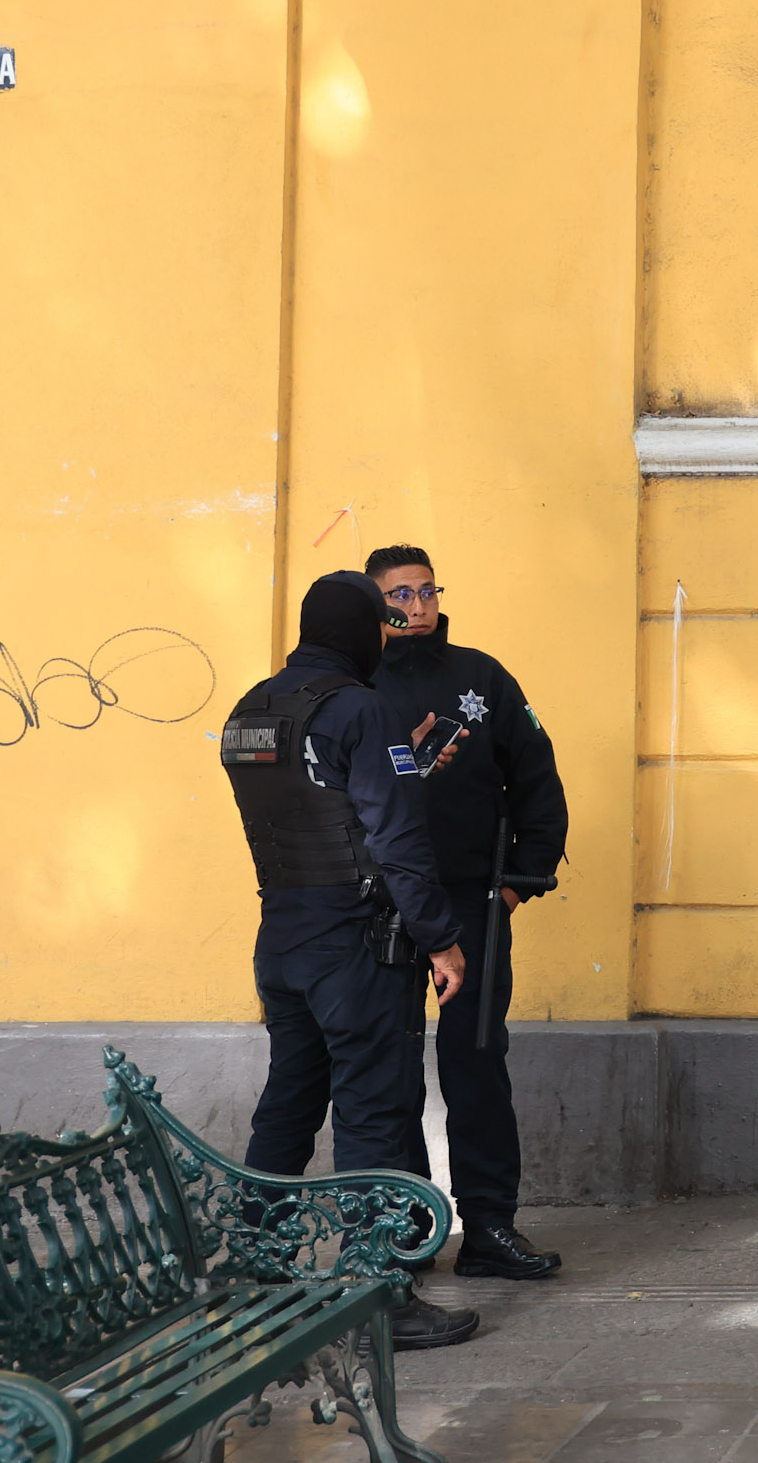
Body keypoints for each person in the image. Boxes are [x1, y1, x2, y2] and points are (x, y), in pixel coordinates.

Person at [219, 569, 480, 1349]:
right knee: (371, 1109)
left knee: (290, 1102)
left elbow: (315, 807)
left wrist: (405, 764)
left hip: (283, 940)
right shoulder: (362, 709)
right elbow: (392, 838)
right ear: (359, 632)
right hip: (356, 948)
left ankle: (257, 1271)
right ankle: (378, 1303)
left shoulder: (249, 711)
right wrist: (440, 935)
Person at [367, 545, 570, 1282]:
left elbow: (539, 782)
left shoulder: (481, 677)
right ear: (373, 603)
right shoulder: (355, 683)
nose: (416, 606)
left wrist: (516, 885)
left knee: (477, 1065)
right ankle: (409, 1231)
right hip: (381, 907)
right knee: (387, 1072)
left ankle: (489, 1227)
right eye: (399, 595)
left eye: (426, 591)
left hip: (472, 905)